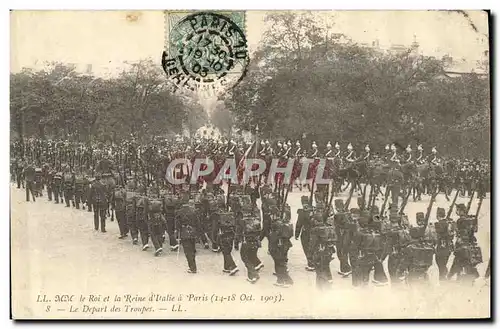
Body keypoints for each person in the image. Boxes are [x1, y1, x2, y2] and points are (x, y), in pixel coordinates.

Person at [176, 201, 203, 274]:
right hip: (193, 232)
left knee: (188, 251)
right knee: (192, 249)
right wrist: (198, 233)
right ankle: (193, 266)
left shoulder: (179, 212)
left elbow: (177, 224)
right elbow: (198, 223)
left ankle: (192, 268)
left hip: (184, 232)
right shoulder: (193, 211)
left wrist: (177, 233)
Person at [434, 207, 455, 281]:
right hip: (448, 247)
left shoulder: (439, 224)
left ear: (438, 215)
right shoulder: (449, 222)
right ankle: (444, 275)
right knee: (443, 263)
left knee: (440, 263)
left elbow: (437, 234)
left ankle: (443, 279)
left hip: (441, 247)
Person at [295, 196, 314, 271]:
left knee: (307, 248)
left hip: (306, 233)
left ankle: (311, 263)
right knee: (313, 247)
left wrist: (297, 234)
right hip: (314, 232)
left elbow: (299, 224)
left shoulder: (302, 212)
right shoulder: (314, 209)